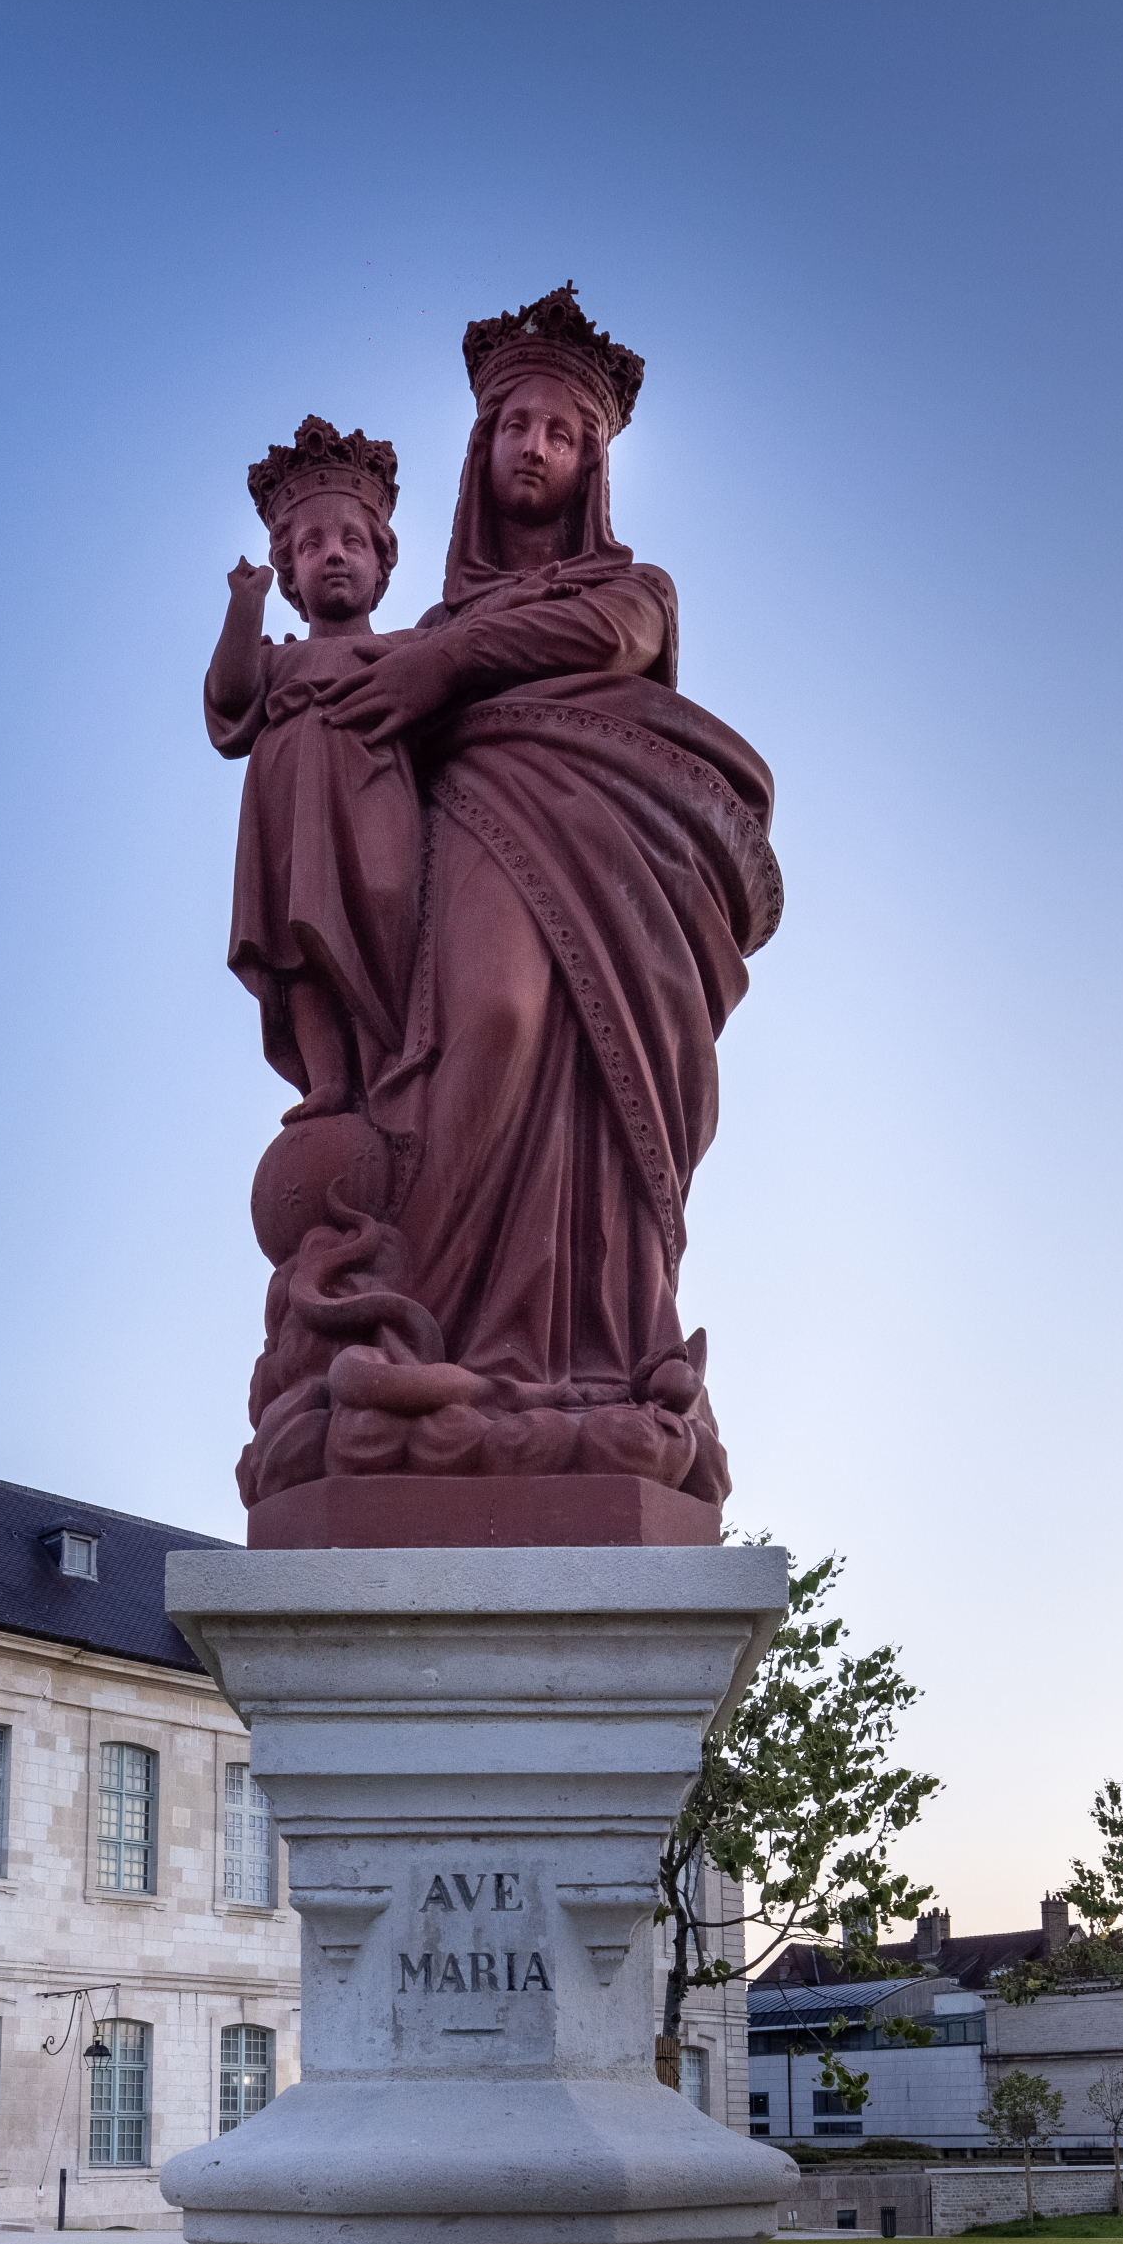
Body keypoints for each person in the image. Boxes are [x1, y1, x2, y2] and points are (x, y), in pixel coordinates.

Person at [234, 289, 781, 1520]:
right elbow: (316, 743)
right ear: (478, 451)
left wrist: (447, 667)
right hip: (467, 847)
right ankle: (421, 1323)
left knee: (573, 1081)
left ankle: (581, 1361)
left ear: (590, 465)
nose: (533, 448)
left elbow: (612, 629)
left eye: (561, 434)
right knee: (485, 1023)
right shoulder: (420, 625)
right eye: (512, 427)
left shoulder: (636, 588)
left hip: (616, 883)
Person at [204, 417, 417, 1122]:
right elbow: (229, 697)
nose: (333, 556)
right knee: (299, 944)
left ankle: (390, 1062)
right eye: (311, 545)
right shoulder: (279, 658)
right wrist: (244, 607)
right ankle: (330, 1078)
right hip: (287, 816)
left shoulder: (407, 651)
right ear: (288, 571)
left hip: (374, 805)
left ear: (381, 563)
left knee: (382, 919)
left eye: (352, 542)